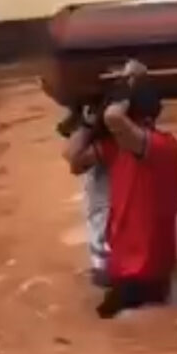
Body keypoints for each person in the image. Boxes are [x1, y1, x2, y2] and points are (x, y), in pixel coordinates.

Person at [63, 61, 177, 318]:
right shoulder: (118, 148)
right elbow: (73, 158)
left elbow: (114, 118)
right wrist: (89, 121)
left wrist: (124, 87)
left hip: (145, 276)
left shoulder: (163, 148)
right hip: (126, 273)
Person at [58, 106, 111, 287]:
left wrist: (88, 122)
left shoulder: (110, 146)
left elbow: (73, 160)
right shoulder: (147, 140)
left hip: (110, 250)